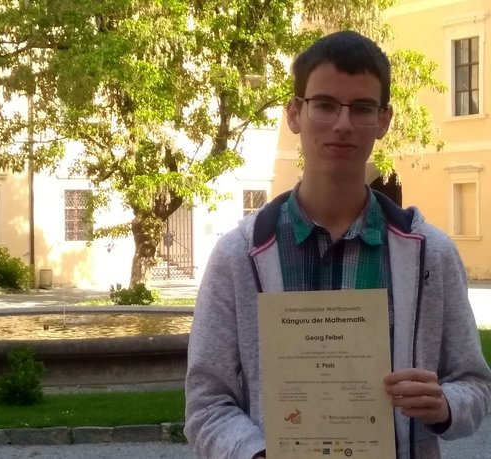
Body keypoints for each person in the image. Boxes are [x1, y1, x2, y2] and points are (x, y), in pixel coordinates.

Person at [184, 30, 491, 459]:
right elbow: (206, 405)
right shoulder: (238, 256)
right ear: (294, 113)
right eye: (325, 105)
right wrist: (254, 453)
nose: (343, 124)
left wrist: (445, 405)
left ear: (383, 120)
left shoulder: (430, 255)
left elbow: (474, 385)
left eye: (362, 108)